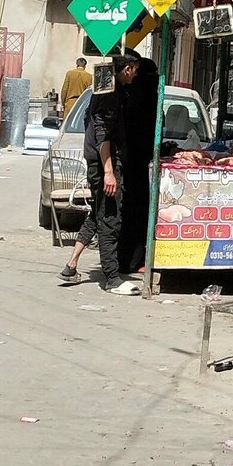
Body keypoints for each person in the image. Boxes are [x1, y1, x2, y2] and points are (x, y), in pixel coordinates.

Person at [59, 53, 140, 294]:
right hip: (105, 164)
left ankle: (71, 264)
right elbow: (103, 135)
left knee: (98, 213)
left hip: (100, 162)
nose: (135, 75)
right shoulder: (110, 95)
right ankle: (112, 278)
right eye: (134, 69)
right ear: (126, 69)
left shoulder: (103, 91)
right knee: (110, 219)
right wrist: (109, 171)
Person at [118, 56, 159, 275]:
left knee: (131, 212)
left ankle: (128, 259)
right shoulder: (145, 97)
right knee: (137, 212)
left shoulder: (131, 94)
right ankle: (132, 260)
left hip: (132, 161)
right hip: (138, 163)